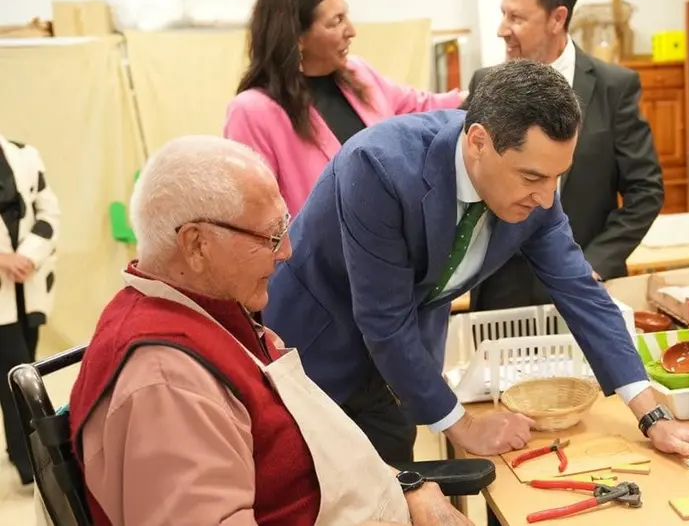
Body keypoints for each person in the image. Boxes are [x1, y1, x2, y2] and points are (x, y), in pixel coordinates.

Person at [262, 59, 689, 466]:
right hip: (311, 350)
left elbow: (581, 292)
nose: (545, 197)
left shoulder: (537, 189)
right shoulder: (378, 165)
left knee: (391, 487)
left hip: (401, 366)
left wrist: (654, 417)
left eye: (557, 177)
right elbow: (382, 318)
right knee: (316, 493)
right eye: (533, 176)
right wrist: (465, 426)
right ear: (477, 142)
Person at [67, 136, 471, 526]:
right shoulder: (166, 383)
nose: (286, 252)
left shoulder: (216, 319)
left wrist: (407, 487)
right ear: (196, 244)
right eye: (270, 237)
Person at [465, 0, 663, 311]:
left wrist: (594, 262)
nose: (502, 30)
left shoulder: (613, 87)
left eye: (516, 18)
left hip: (584, 287)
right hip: (500, 288)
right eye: (503, 14)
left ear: (558, 18)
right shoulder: (486, 83)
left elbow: (646, 191)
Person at [224, 0, 466, 217]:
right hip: (317, 255)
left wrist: (482, 91)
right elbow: (255, 212)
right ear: (297, 37)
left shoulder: (359, 73)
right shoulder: (252, 112)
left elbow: (422, 107)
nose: (351, 30)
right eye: (336, 21)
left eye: (346, 16)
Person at [0, 135, 59, 488]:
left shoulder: (23, 154)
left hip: (28, 283)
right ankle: (35, 465)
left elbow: (48, 212)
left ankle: (21, 451)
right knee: (18, 378)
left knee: (22, 368)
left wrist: (28, 256)